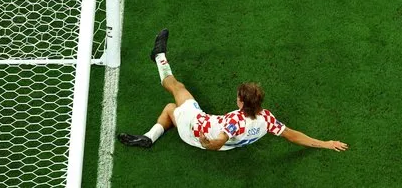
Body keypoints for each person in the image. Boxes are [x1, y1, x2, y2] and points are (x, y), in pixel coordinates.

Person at [117, 29, 349, 152]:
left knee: (174, 96)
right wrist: (325, 143)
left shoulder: (234, 122)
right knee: (173, 106)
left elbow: (219, 140)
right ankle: (149, 137)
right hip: (214, 137)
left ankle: (158, 57)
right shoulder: (267, 119)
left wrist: (209, 142)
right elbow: (293, 135)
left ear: (240, 101)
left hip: (197, 130)